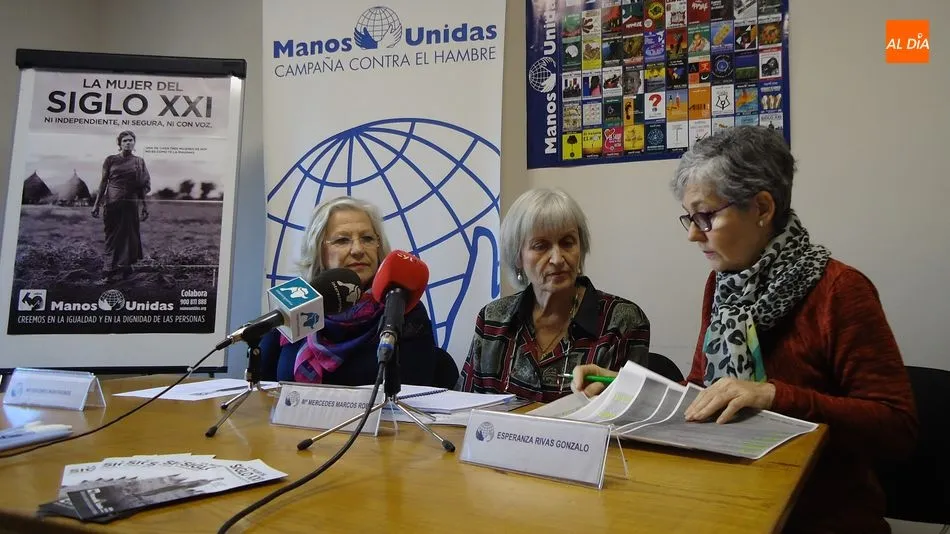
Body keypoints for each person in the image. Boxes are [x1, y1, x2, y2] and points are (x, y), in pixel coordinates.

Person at [572, 126, 918, 534]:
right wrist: (629, 388)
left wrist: (773, 395)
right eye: (689, 218)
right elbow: (704, 392)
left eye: (705, 216)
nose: (692, 234)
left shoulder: (840, 290)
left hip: (819, 517)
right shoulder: (722, 284)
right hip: (728, 501)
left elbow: (896, 427)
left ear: (762, 208)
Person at [458, 188, 650, 403]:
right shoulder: (493, 320)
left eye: (567, 242)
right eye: (541, 246)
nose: (557, 259)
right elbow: (463, 408)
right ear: (518, 257)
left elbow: (634, 412)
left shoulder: (622, 322)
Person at [259, 196, 457, 389]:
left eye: (367, 238)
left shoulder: (400, 305)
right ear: (318, 250)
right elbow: (261, 381)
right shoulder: (297, 303)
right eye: (342, 240)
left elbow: (413, 383)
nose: (357, 250)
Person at [91, 130, 150, 282]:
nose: (128, 143)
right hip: (112, 204)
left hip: (130, 205)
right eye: (125, 140)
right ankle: (108, 272)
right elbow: (103, 182)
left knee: (129, 237)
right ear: (119, 143)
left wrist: (145, 206)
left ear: (134, 143)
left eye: (131, 140)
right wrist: (96, 205)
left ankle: (125, 272)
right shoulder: (110, 160)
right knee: (111, 238)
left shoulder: (139, 162)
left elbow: (142, 186)